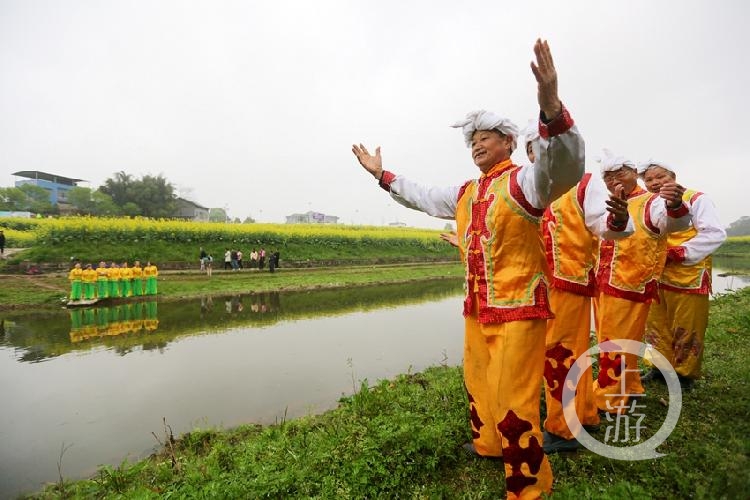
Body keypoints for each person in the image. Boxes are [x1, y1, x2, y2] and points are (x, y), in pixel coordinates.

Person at [352, 39, 582, 500]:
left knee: (516, 396)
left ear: (509, 143)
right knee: (479, 381)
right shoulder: (465, 192)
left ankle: (528, 485)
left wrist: (551, 105)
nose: (477, 145)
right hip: (479, 308)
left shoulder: (526, 183)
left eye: (486, 138)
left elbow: (564, 168)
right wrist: (383, 175)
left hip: (519, 308)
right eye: (472, 141)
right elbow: (421, 194)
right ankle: (490, 446)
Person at [516, 123, 634, 453]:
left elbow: (606, 225)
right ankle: (579, 412)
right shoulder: (522, 185)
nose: (534, 152)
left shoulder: (583, 183)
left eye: (541, 145)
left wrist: (619, 219)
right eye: (529, 147)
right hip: (528, 285)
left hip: (567, 283)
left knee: (561, 357)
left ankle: (565, 428)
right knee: (545, 356)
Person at [592, 150, 692, 414]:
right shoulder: (607, 203)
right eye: (608, 177)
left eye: (620, 174)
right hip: (605, 283)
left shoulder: (652, 202)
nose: (614, 181)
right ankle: (632, 386)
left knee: (615, 344)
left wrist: (674, 204)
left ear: (634, 173)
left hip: (630, 284)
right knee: (615, 341)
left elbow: (677, 222)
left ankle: (609, 399)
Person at [638, 160, 726, 391]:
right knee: (656, 324)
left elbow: (715, 233)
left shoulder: (697, 198)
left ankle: (684, 374)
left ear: (673, 176)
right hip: (657, 274)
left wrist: (680, 252)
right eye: (649, 179)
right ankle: (658, 368)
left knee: (688, 326)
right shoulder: (647, 203)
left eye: (661, 177)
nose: (655, 182)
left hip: (689, 273)